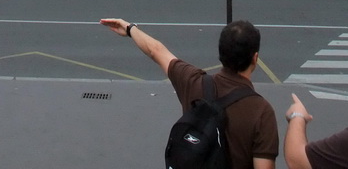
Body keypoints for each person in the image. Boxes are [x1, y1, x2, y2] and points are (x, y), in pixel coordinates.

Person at [100, 17, 278, 168]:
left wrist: (130, 29)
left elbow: (156, 51)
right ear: (255, 58)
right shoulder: (262, 112)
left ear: (220, 53)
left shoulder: (194, 82)